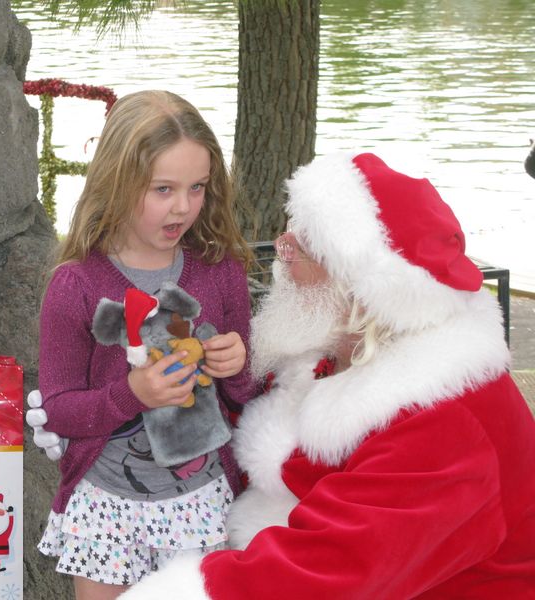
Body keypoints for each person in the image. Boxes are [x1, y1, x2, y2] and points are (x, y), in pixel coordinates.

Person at [120, 152, 535, 599]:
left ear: (358, 289)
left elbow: (328, 571)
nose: (282, 257)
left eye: (302, 248)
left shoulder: (445, 422)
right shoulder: (340, 353)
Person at [35, 90, 261, 599]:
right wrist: (133, 393)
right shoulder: (77, 285)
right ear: (117, 182)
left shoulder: (220, 272)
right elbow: (59, 412)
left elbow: (245, 400)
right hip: (106, 505)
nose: (183, 207)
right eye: (163, 189)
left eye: (197, 187)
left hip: (203, 504)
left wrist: (238, 367)